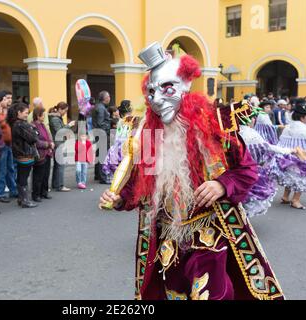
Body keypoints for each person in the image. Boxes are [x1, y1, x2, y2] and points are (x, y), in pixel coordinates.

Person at [99, 43, 284, 300]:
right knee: (172, 294)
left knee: (208, 294)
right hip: (167, 237)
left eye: (166, 89)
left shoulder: (214, 127)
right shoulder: (150, 137)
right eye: (151, 92)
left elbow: (246, 170)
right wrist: (119, 199)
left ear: (184, 89)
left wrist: (221, 185)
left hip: (209, 236)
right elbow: (142, 187)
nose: (156, 99)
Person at [239, 106, 303, 217]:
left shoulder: (233, 133)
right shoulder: (252, 134)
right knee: (249, 200)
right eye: (253, 118)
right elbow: (270, 147)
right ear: (250, 119)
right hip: (250, 172)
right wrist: (291, 150)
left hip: (232, 173)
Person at [7, 103, 38, 209]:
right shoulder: (21, 124)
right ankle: (25, 200)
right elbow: (33, 138)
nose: (27, 115)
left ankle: (22, 199)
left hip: (20, 153)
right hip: (25, 154)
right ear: (19, 113)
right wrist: (34, 130)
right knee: (23, 177)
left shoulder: (16, 123)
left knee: (21, 176)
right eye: (25, 113)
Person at [0, 91, 18, 203]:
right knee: (2, 170)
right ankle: (0, 193)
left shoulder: (8, 111)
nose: (7, 100)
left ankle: (13, 190)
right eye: (5, 99)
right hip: (1, 145)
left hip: (9, 144)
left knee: (10, 168)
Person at [49, 102, 76, 192]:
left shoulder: (56, 118)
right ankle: (60, 185)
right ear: (60, 109)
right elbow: (60, 131)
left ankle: (55, 184)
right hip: (58, 143)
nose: (65, 113)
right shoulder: (55, 119)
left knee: (58, 165)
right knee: (60, 165)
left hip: (58, 142)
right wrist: (69, 125)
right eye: (65, 110)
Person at [31, 107, 54, 202]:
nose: (44, 116)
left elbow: (47, 136)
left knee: (46, 174)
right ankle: (36, 194)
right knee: (38, 175)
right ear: (38, 115)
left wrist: (51, 143)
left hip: (47, 152)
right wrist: (48, 144)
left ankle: (44, 192)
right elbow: (36, 141)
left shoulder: (43, 125)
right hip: (40, 154)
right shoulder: (33, 126)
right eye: (43, 115)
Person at [92, 91, 112, 184]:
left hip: (99, 133)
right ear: (105, 98)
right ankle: (103, 177)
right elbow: (100, 123)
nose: (109, 98)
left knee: (99, 154)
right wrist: (110, 126)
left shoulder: (99, 107)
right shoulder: (101, 108)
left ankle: (98, 175)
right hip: (102, 134)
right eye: (108, 96)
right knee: (102, 156)